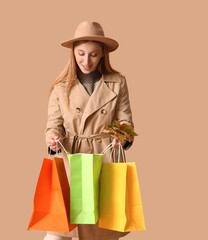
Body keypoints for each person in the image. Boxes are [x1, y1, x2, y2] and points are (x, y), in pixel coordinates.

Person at [43, 21, 135, 240]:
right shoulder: (60, 86)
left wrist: (121, 138)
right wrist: (52, 137)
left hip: (104, 157)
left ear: (102, 54)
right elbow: (53, 124)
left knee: (99, 232)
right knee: (60, 228)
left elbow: (127, 123)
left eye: (93, 54)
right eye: (81, 53)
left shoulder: (118, 82)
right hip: (71, 157)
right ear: (73, 52)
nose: (86, 61)